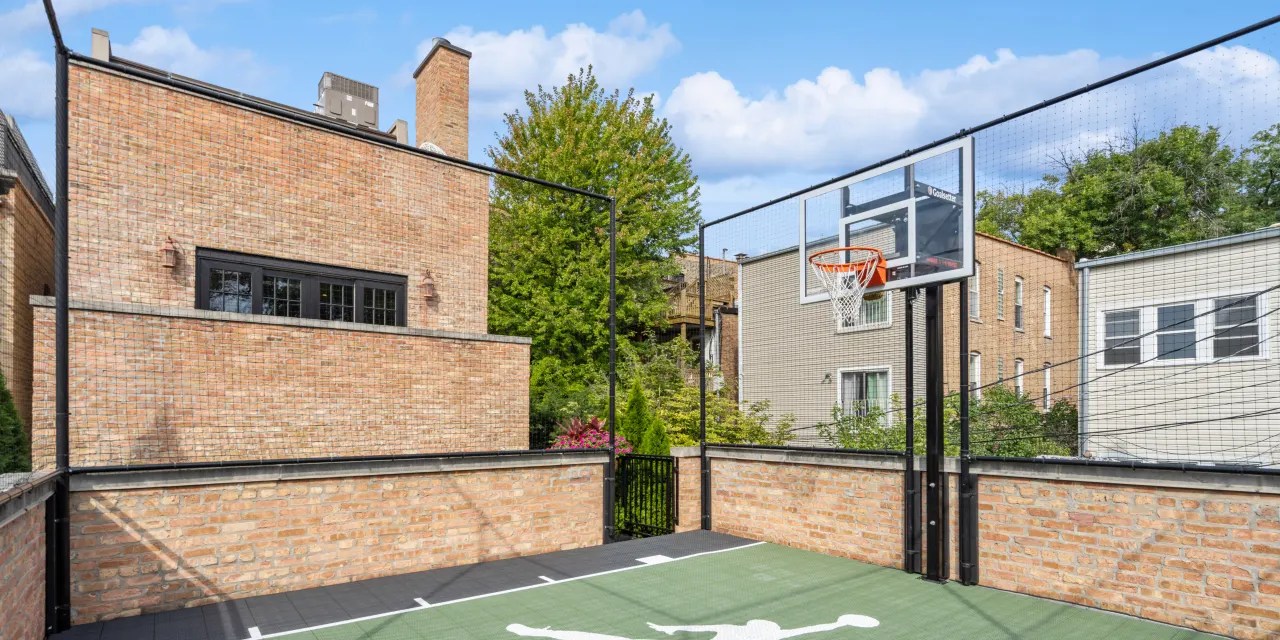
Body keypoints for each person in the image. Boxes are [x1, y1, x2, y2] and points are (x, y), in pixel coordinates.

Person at [506, 614, 879, 640]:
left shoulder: (739, 630)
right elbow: (813, 629)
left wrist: (669, 629)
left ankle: (539, 633)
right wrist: (669, 629)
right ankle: (540, 633)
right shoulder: (775, 635)